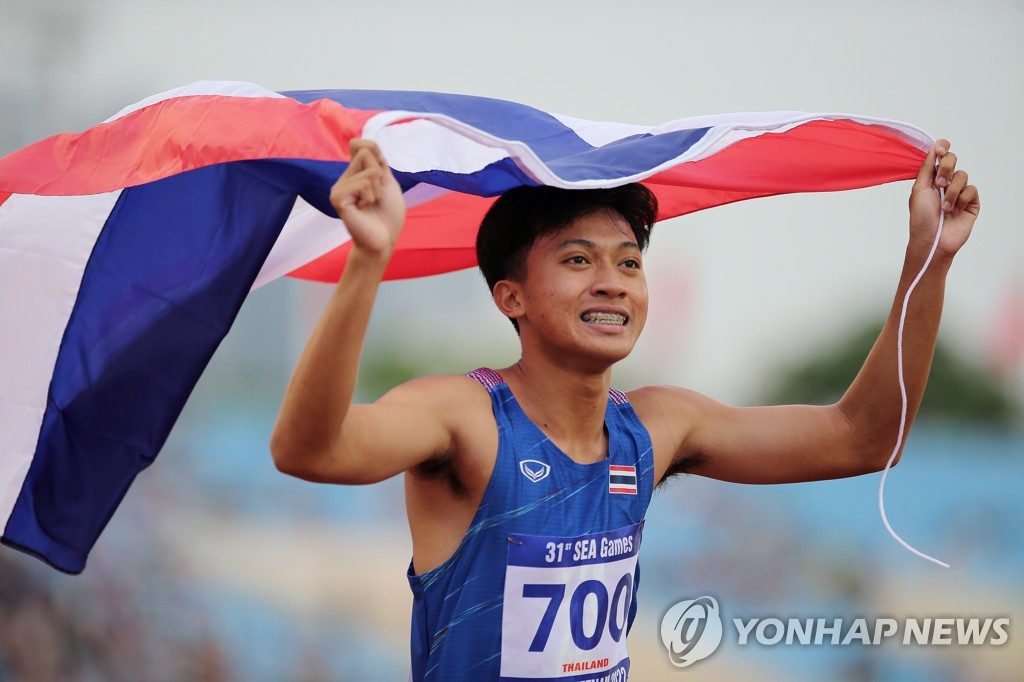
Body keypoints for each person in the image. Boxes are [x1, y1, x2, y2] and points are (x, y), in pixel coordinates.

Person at [270, 138, 980, 681]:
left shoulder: (658, 426)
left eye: (629, 262)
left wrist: (930, 256)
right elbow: (310, 451)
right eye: (578, 261)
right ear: (510, 296)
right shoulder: (462, 417)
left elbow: (863, 439)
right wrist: (368, 261)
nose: (612, 283)